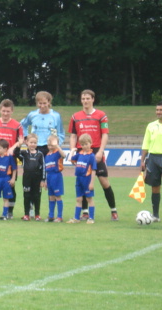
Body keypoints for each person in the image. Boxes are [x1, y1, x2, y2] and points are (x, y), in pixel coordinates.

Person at [68, 89, 118, 220]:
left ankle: (113, 210)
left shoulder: (101, 115)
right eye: (83, 98)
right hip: (81, 151)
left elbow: (105, 134)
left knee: (104, 181)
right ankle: (85, 212)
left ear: (93, 99)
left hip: (95, 150)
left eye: (88, 98)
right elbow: (73, 135)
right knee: (83, 180)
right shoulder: (75, 116)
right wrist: (73, 149)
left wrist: (101, 151)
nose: (85, 101)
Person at [20, 91, 64, 156]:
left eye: (44, 103)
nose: (42, 106)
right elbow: (22, 124)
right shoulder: (32, 115)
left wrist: (56, 144)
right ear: (37, 103)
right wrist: (26, 137)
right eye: (40, 103)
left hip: (50, 147)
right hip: (35, 146)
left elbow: (60, 133)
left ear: (49, 102)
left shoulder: (56, 116)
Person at [67, 134, 97, 224]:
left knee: (89, 199)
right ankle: (76, 218)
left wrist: (92, 183)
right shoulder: (79, 154)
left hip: (86, 179)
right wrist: (72, 150)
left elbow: (94, 170)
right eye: (82, 144)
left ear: (90, 143)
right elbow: (70, 159)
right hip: (79, 179)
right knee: (78, 199)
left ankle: (91, 218)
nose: (84, 146)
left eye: (86, 144)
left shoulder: (91, 156)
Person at [17, 133, 46, 221]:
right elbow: (15, 153)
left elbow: (43, 167)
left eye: (35, 142)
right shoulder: (24, 153)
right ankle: (26, 214)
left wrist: (43, 179)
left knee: (37, 196)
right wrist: (19, 144)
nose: (33, 144)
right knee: (27, 195)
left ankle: (37, 214)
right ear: (27, 143)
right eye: (31, 142)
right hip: (27, 178)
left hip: (37, 178)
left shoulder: (40, 154)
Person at [43, 134, 65, 222]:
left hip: (56, 176)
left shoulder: (58, 153)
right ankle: (51, 215)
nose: (50, 146)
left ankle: (59, 216)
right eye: (49, 144)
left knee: (58, 196)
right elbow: (46, 169)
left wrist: (57, 147)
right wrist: (45, 180)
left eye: (52, 144)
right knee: (51, 197)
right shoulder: (47, 155)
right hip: (49, 177)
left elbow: (64, 155)